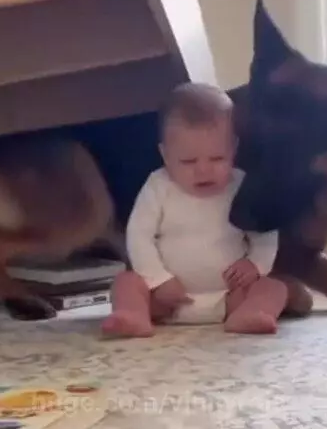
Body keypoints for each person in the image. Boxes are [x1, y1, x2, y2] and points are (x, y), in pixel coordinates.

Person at [101, 82, 287, 338]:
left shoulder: (241, 184)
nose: (203, 170)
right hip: (166, 300)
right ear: (165, 155)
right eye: (188, 161)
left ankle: (251, 314)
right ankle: (133, 316)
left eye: (217, 158)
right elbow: (138, 235)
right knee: (126, 283)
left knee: (274, 288)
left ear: (233, 149)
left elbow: (265, 231)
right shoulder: (159, 185)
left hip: (230, 295)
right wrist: (158, 279)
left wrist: (255, 265)